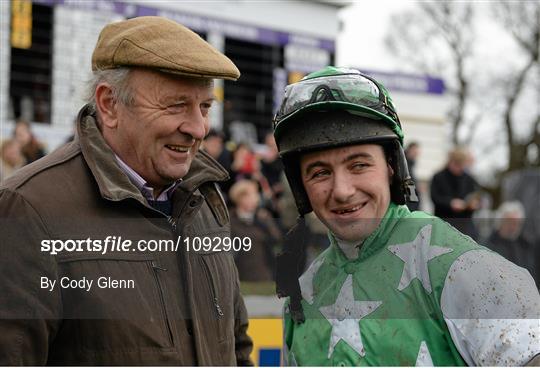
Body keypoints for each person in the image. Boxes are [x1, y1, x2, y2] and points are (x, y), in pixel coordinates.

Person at [0, 16, 252, 365]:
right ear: (109, 104)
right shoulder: (29, 208)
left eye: (205, 107)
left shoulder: (205, 199)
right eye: (176, 105)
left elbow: (235, 348)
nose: (197, 128)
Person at [273, 66, 540, 366]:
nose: (342, 190)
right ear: (301, 187)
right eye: (320, 172)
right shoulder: (302, 295)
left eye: (359, 165)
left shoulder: (461, 268)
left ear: (392, 167)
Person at [229, 179, 281, 282]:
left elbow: (276, 238)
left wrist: (264, 223)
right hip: (238, 276)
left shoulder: (262, 218)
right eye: (252, 194)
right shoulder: (230, 220)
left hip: (262, 274)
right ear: (241, 197)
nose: (256, 198)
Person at [430, 147, 480, 240]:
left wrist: (472, 205)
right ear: (451, 162)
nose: (459, 168)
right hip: (444, 222)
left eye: (461, 165)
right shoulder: (438, 177)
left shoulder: (469, 179)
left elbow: (475, 196)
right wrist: (450, 203)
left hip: (464, 225)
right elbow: (435, 197)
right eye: (457, 164)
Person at [485, 201, 536, 283]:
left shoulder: (525, 245)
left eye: (517, 224)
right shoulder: (489, 244)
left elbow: (531, 273)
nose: (513, 227)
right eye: (509, 222)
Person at [404, 141, 421, 211]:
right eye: (414, 151)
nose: (416, 153)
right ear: (409, 150)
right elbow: (410, 185)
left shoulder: (410, 164)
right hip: (409, 201)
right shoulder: (405, 165)